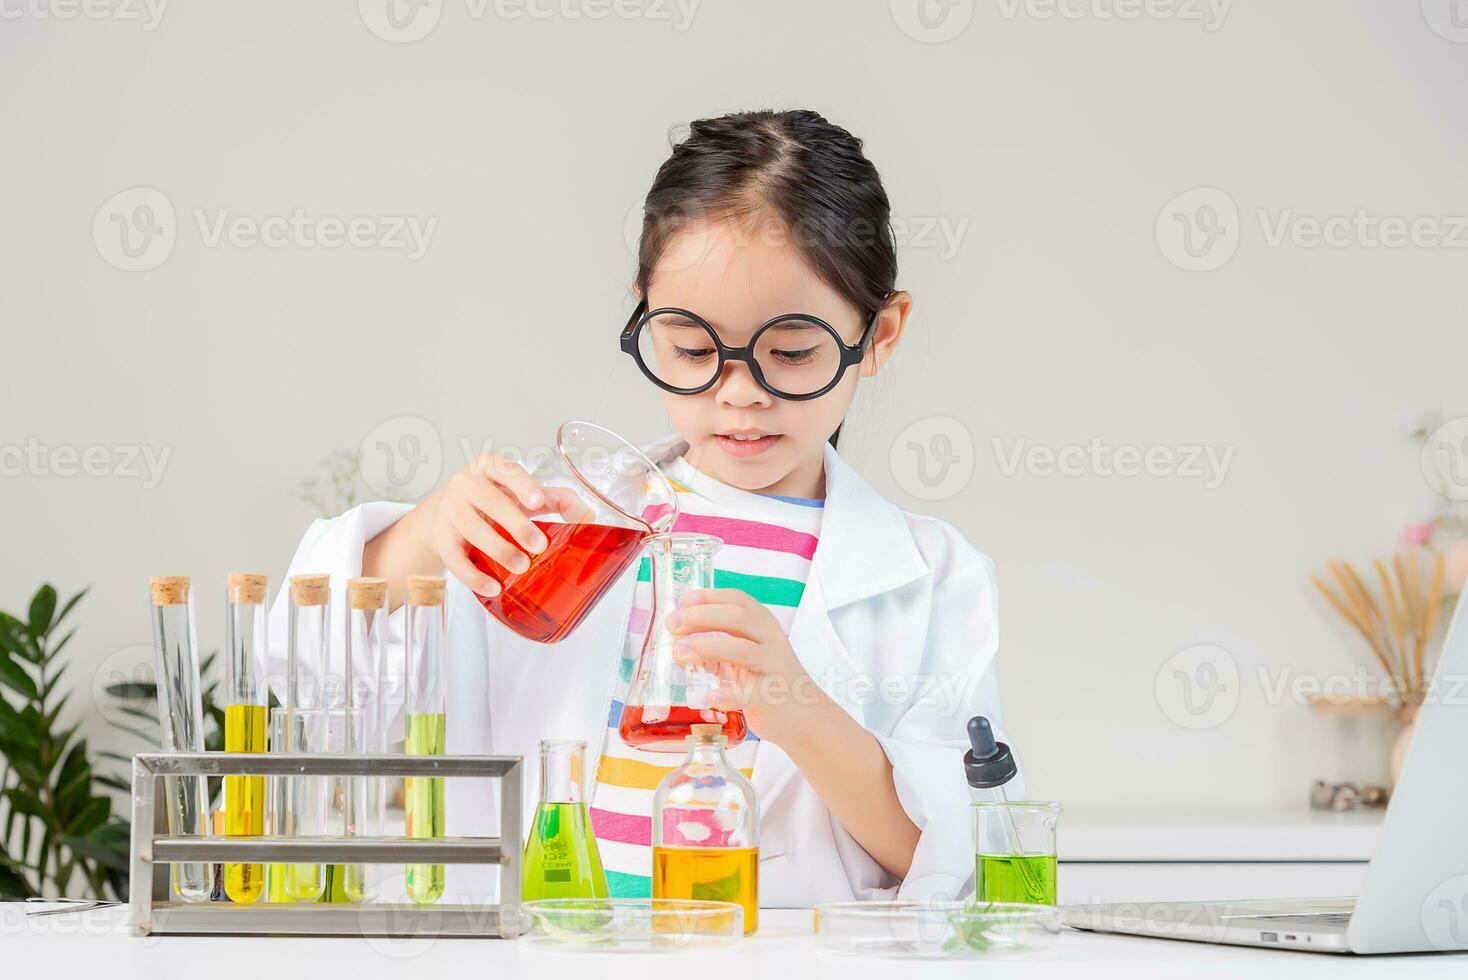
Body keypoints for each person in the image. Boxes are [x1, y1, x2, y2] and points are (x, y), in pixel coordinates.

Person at [268, 108, 1019, 905]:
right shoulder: (569, 525)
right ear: (644, 315)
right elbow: (315, 689)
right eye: (692, 348)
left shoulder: (930, 579)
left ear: (879, 335)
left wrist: (797, 710)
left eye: (792, 353)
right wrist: (420, 535)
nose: (740, 394)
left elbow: (953, 864)